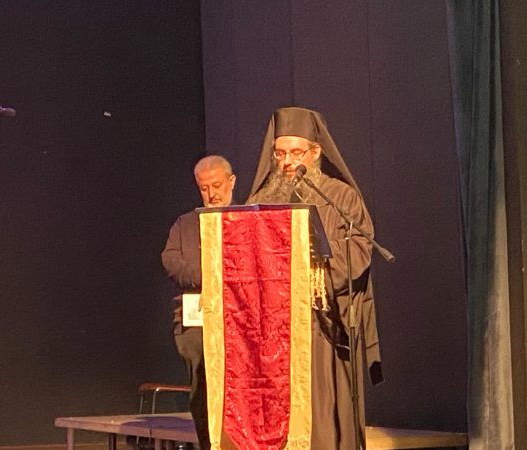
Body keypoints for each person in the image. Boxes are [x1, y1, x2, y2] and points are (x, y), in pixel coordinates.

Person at [247, 106, 383, 449]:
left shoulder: (340, 197)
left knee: (322, 422)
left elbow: (358, 254)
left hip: (322, 325)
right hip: (273, 333)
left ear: (316, 152)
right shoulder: (262, 200)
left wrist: (311, 276)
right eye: (280, 154)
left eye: (296, 153)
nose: (287, 162)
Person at [162, 155, 236, 450]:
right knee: (202, 388)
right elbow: (170, 261)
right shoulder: (185, 223)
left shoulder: (244, 220)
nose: (211, 194)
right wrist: (208, 273)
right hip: (197, 320)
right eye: (204, 188)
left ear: (231, 182)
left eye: (216, 185)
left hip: (238, 320)